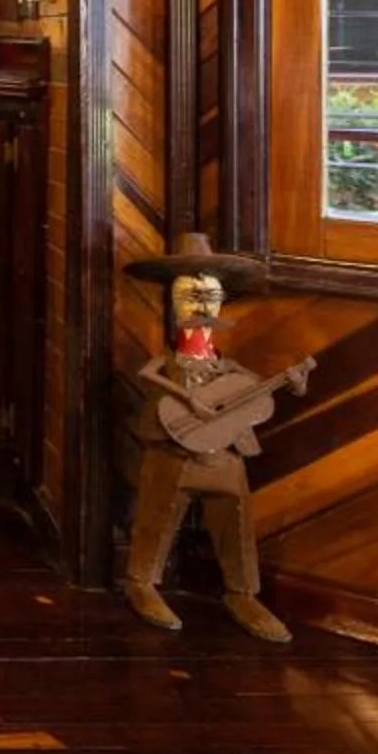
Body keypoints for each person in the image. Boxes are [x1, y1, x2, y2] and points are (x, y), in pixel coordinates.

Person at [119, 234, 315, 642]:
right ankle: (142, 581)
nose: (201, 304)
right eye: (189, 294)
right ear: (173, 302)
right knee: (158, 512)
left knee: (236, 516)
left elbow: (255, 394)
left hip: (224, 450)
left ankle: (242, 592)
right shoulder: (169, 362)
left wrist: (293, 384)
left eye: (210, 295)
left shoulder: (231, 370)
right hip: (172, 444)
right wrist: (185, 396)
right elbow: (152, 376)